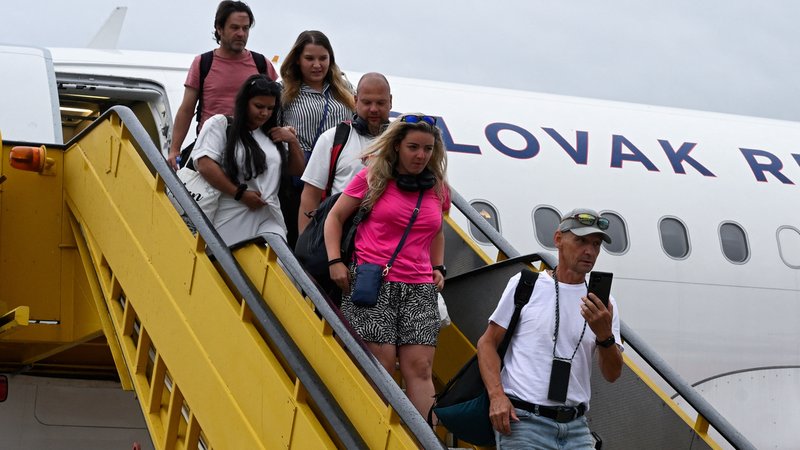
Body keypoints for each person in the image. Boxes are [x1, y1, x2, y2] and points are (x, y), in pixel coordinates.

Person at [323, 113, 449, 417]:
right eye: (413, 147)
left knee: (421, 368)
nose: (421, 155)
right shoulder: (372, 178)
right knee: (380, 364)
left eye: (428, 149)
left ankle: (424, 437)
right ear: (396, 147)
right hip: (373, 281)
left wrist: (438, 267)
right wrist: (335, 261)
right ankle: (375, 431)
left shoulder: (437, 188)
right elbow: (335, 217)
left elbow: (436, 232)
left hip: (419, 288)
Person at [476, 208, 624, 449]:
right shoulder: (527, 285)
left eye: (596, 244)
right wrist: (497, 396)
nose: (590, 251)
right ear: (558, 239)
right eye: (581, 241)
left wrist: (604, 335)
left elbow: (612, 374)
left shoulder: (604, 304)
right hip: (524, 421)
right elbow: (487, 343)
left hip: (576, 427)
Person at [192, 75, 304, 245]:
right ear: (244, 103)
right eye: (259, 106)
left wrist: (293, 141)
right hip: (231, 212)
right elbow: (204, 164)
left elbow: (297, 170)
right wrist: (240, 193)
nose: (265, 113)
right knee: (226, 261)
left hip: (269, 215)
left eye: (270, 108)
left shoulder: (274, 134)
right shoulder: (221, 124)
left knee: (277, 259)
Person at [167, 0, 278, 170]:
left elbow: (275, 107)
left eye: (245, 28)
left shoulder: (261, 63)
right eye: (234, 28)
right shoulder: (203, 63)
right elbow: (187, 109)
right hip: (210, 149)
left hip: (252, 150)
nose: (241, 33)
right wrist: (175, 149)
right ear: (219, 29)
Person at [279, 30, 356, 246]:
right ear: (297, 59)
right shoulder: (284, 90)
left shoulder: (345, 89)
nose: (317, 65)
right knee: (300, 238)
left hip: (339, 173)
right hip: (301, 174)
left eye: (323, 58)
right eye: (309, 58)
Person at [297, 72, 392, 234]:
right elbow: (310, 197)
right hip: (338, 236)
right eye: (367, 102)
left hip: (383, 239)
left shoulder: (402, 143)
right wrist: (304, 243)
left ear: (390, 102)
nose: (374, 109)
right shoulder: (332, 138)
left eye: (380, 103)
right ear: (355, 101)